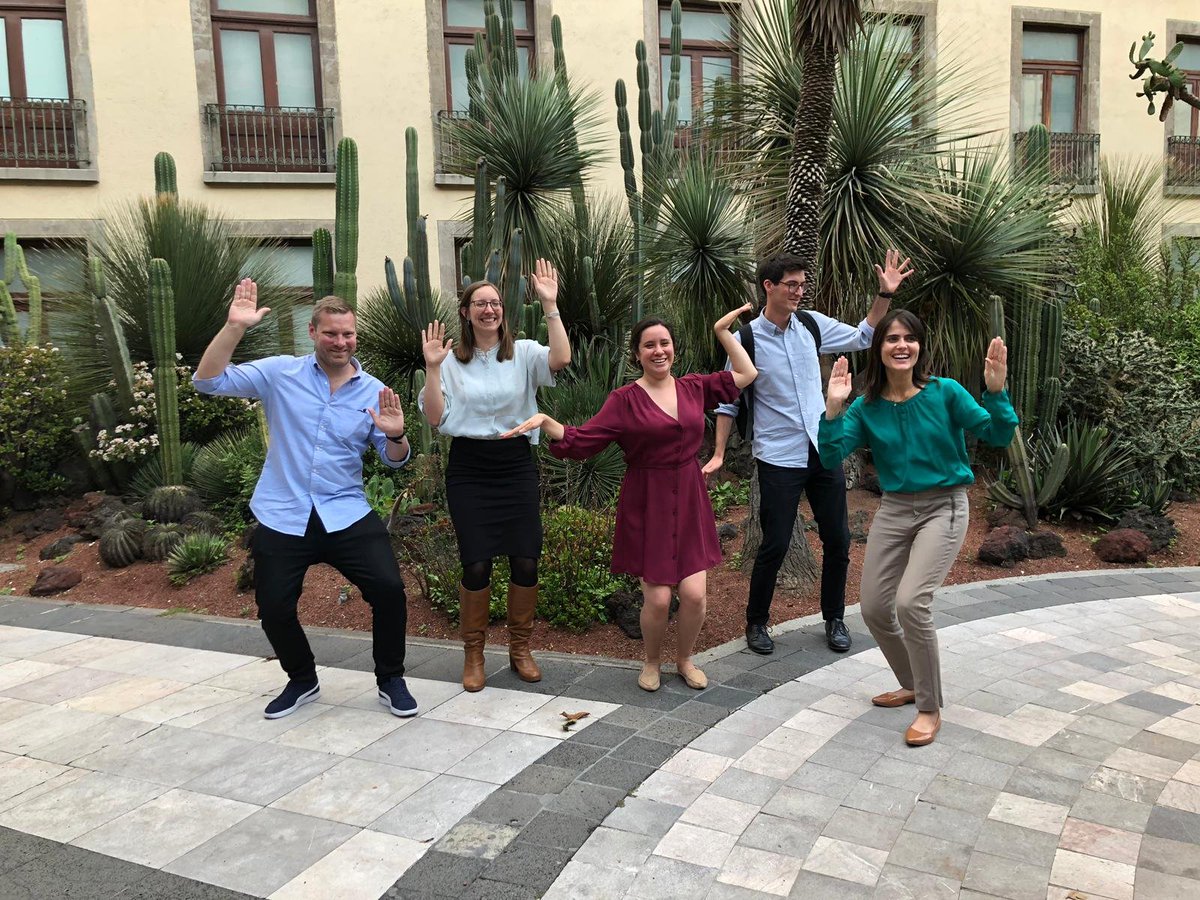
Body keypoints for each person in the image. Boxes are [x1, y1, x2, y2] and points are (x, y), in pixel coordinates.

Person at [502, 305, 758, 692]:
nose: (659, 351)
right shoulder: (624, 399)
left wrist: (724, 331)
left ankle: (685, 659)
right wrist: (547, 423)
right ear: (637, 354)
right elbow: (586, 440)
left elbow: (746, 374)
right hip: (648, 499)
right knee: (656, 600)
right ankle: (651, 661)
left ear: (674, 349)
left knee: (694, 596)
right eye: (649, 345)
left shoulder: (693, 387)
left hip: (689, 496)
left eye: (665, 343)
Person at [194, 280, 419, 720]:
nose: (341, 342)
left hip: (345, 511)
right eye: (331, 333)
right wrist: (234, 328)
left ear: (356, 336)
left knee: (390, 590)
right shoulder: (281, 374)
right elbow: (208, 381)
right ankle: (302, 679)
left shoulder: (373, 389)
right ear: (313, 332)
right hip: (284, 511)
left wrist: (396, 434)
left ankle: (390, 678)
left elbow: (394, 461)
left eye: (348, 334)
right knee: (274, 607)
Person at [819, 310, 1017, 746]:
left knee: (911, 604)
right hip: (894, 509)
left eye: (909, 338)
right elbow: (831, 457)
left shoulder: (944, 392)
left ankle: (929, 707)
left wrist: (996, 394)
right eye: (892, 338)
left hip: (942, 507)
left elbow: (997, 436)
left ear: (920, 346)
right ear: (880, 348)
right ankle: (911, 682)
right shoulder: (867, 407)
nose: (901, 345)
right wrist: (833, 410)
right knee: (872, 607)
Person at [704, 251, 915, 655]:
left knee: (838, 540)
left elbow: (863, 336)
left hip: (823, 450)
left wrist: (884, 295)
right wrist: (716, 454)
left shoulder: (811, 325)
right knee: (775, 543)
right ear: (769, 286)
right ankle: (756, 622)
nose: (800, 291)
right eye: (792, 285)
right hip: (778, 457)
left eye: (803, 284)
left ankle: (834, 618)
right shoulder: (746, 338)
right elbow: (728, 402)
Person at [419, 259, 570, 692]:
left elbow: (560, 359)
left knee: (525, 557)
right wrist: (431, 369)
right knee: (477, 564)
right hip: (469, 467)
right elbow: (434, 417)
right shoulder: (448, 361)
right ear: (465, 313)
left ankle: (520, 649)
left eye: (496, 303)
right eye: (480, 303)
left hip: (514, 463)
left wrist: (550, 305)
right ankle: (474, 653)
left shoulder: (522, 352)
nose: (490, 309)